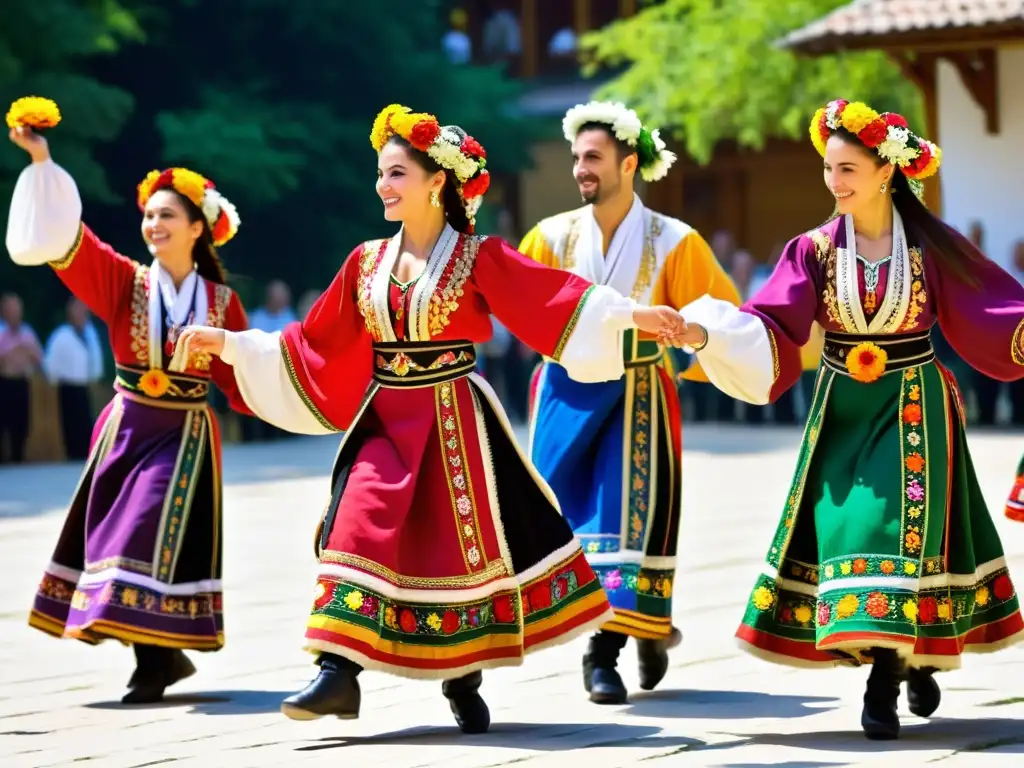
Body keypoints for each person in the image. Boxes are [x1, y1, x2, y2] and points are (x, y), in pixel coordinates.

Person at [175, 103, 687, 733]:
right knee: (354, 527)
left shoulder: (477, 257)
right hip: (386, 419)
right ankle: (338, 672)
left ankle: (461, 676)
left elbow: (548, 297)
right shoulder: (365, 263)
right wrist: (228, 343)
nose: (382, 187)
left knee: (453, 553)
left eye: (394, 174)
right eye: (381, 175)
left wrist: (633, 316)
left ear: (435, 181)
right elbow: (311, 341)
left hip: (454, 425)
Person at [674, 99, 1024, 740]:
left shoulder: (929, 248)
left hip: (914, 406)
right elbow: (771, 321)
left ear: (885, 171)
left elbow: (994, 309)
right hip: (840, 409)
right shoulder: (810, 250)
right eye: (829, 169)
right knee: (845, 533)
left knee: (898, 534)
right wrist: (705, 331)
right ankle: (904, 655)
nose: (835, 182)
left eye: (848, 168)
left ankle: (885, 678)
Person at [5, 99, 251, 705]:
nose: (154, 225)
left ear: (199, 226)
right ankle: (160, 657)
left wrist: (306, 400)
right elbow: (69, 244)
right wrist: (43, 162)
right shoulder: (124, 280)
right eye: (149, 215)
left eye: (167, 215)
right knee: (121, 541)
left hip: (186, 435)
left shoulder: (221, 305)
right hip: (126, 426)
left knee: (144, 530)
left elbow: (251, 371)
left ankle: (154, 664)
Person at [518, 101, 739, 704]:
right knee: (554, 520)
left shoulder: (676, 242)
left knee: (626, 523)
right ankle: (647, 624)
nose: (580, 169)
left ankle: (603, 653)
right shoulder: (550, 236)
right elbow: (522, 310)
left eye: (592, 158)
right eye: (576, 158)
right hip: (564, 392)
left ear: (629, 162)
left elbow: (719, 318)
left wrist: (700, 346)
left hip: (637, 391)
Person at [43, 297, 105, 460]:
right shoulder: (61, 335)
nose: (81, 313)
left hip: (85, 384)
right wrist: (53, 379)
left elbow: (96, 356)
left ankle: (86, 454)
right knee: (70, 422)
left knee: (86, 420)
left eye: (83, 309)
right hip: (67, 385)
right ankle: (72, 455)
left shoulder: (90, 332)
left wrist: (96, 375)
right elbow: (51, 361)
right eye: (77, 309)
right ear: (70, 313)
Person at [0, 292, 43, 462]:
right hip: (3, 383)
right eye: (11, 309)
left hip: (22, 382)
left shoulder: (28, 332)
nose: (15, 313)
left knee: (22, 423)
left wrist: (26, 353)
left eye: (17, 309)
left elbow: (39, 357)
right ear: (4, 311)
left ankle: (18, 458)